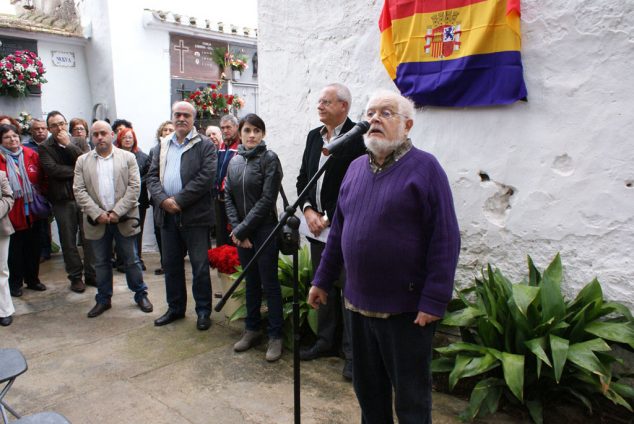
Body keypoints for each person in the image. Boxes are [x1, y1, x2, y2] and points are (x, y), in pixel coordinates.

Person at [307, 90, 461, 423]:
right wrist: (321, 279)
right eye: (371, 113)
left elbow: (445, 239)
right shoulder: (354, 168)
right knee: (369, 394)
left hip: (405, 313)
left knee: (411, 400)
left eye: (386, 113)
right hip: (357, 307)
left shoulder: (426, 168)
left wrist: (434, 300)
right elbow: (339, 233)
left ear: (407, 125)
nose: (375, 118)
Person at [296, 83, 366, 380]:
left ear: (344, 107)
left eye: (326, 101)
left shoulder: (357, 139)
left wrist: (329, 217)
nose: (320, 106)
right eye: (319, 101)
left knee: (349, 292)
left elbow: (360, 186)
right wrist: (309, 211)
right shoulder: (315, 137)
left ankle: (352, 356)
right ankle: (325, 342)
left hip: (345, 230)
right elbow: (304, 179)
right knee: (322, 286)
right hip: (316, 230)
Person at [147, 101, 216, 331]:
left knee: (199, 267)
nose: (181, 118)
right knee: (171, 265)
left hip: (195, 217)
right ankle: (175, 308)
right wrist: (164, 201)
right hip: (167, 217)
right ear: (172, 117)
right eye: (177, 114)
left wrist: (179, 200)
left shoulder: (205, 145)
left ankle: (203, 311)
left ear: (193, 119)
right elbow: (152, 178)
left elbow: (206, 178)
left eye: (186, 115)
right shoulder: (161, 146)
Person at [73, 121, 153, 318]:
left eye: (103, 133)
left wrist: (117, 212)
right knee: (100, 262)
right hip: (96, 221)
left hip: (123, 219)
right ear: (91, 138)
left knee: (132, 260)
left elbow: (135, 187)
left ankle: (140, 294)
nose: (100, 137)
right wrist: (97, 213)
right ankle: (103, 299)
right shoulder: (82, 161)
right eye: (95, 134)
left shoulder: (127, 158)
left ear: (111, 135)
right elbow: (79, 190)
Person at [224, 113, 284, 362]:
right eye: (247, 130)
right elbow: (227, 196)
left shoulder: (269, 159)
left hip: (265, 230)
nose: (251, 135)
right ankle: (251, 329)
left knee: (269, 284)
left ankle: (276, 335)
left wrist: (242, 231)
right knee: (250, 282)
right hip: (243, 234)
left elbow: (267, 199)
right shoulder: (234, 161)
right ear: (240, 132)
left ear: (263, 134)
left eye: (256, 131)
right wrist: (238, 230)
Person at [39, 111, 95, 293]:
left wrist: (68, 145)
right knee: (68, 241)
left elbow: (88, 163)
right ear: (49, 128)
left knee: (89, 238)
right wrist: (76, 170)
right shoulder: (45, 147)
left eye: (62, 123)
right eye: (54, 125)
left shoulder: (78, 141)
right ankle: (76, 277)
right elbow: (52, 170)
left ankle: (92, 273)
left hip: (83, 197)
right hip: (62, 200)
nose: (59, 128)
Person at [0, 124, 47, 297]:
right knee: (15, 251)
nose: (12, 140)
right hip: (12, 212)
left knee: (34, 247)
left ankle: (33, 279)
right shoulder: (1, 158)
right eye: (7, 137)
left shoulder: (30, 154)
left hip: (33, 209)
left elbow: (42, 178)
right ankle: (15, 283)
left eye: (15, 136)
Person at [115, 128, 150, 271]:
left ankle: (137, 259)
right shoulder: (114, 156)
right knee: (120, 231)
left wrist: (135, 183)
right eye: (124, 137)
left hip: (138, 199)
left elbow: (149, 175)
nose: (128, 140)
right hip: (119, 200)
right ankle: (122, 260)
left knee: (137, 230)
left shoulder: (142, 156)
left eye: (130, 137)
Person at [22, 118, 52, 262]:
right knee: (40, 223)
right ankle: (42, 252)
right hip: (36, 192)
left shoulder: (53, 145)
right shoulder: (26, 148)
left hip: (54, 189)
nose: (40, 131)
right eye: (37, 129)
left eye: (43, 128)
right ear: (31, 131)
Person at [149, 121, 175, 275]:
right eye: (165, 129)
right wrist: (160, 197)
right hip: (159, 199)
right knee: (160, 230)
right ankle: (164, 262)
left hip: (176, 199)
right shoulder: (155, 150)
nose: (167, 132)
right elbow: (151, 174)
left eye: (170, 129)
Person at [214, 115, 240, 246]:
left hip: (234, 200)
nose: (225, 131)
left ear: (237, 127)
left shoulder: (241, 146)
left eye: (228, 127)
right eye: (222, 128)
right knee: (221, 235)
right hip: (219, 200)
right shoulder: (222, 146)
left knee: (234, 236)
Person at [0, 170, 15, 326]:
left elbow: (9, 198)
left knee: (1, 271)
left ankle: (4, 310)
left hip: (0, 230)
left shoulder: (1, 175)